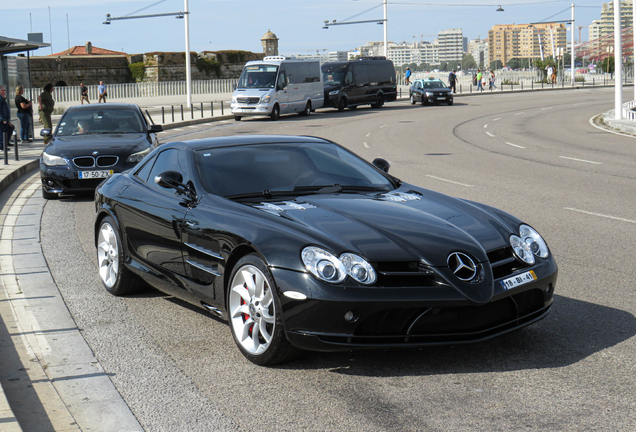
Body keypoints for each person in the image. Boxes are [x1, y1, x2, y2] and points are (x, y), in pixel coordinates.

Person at [0, 85, 15, 150]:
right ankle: (2, 145)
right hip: (2, 119)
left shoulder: (3, 99)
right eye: (3, 90)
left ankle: (6, 142)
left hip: (6, 119)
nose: (5, 91)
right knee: (3, 132)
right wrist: (3, 119)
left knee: (10, 128)